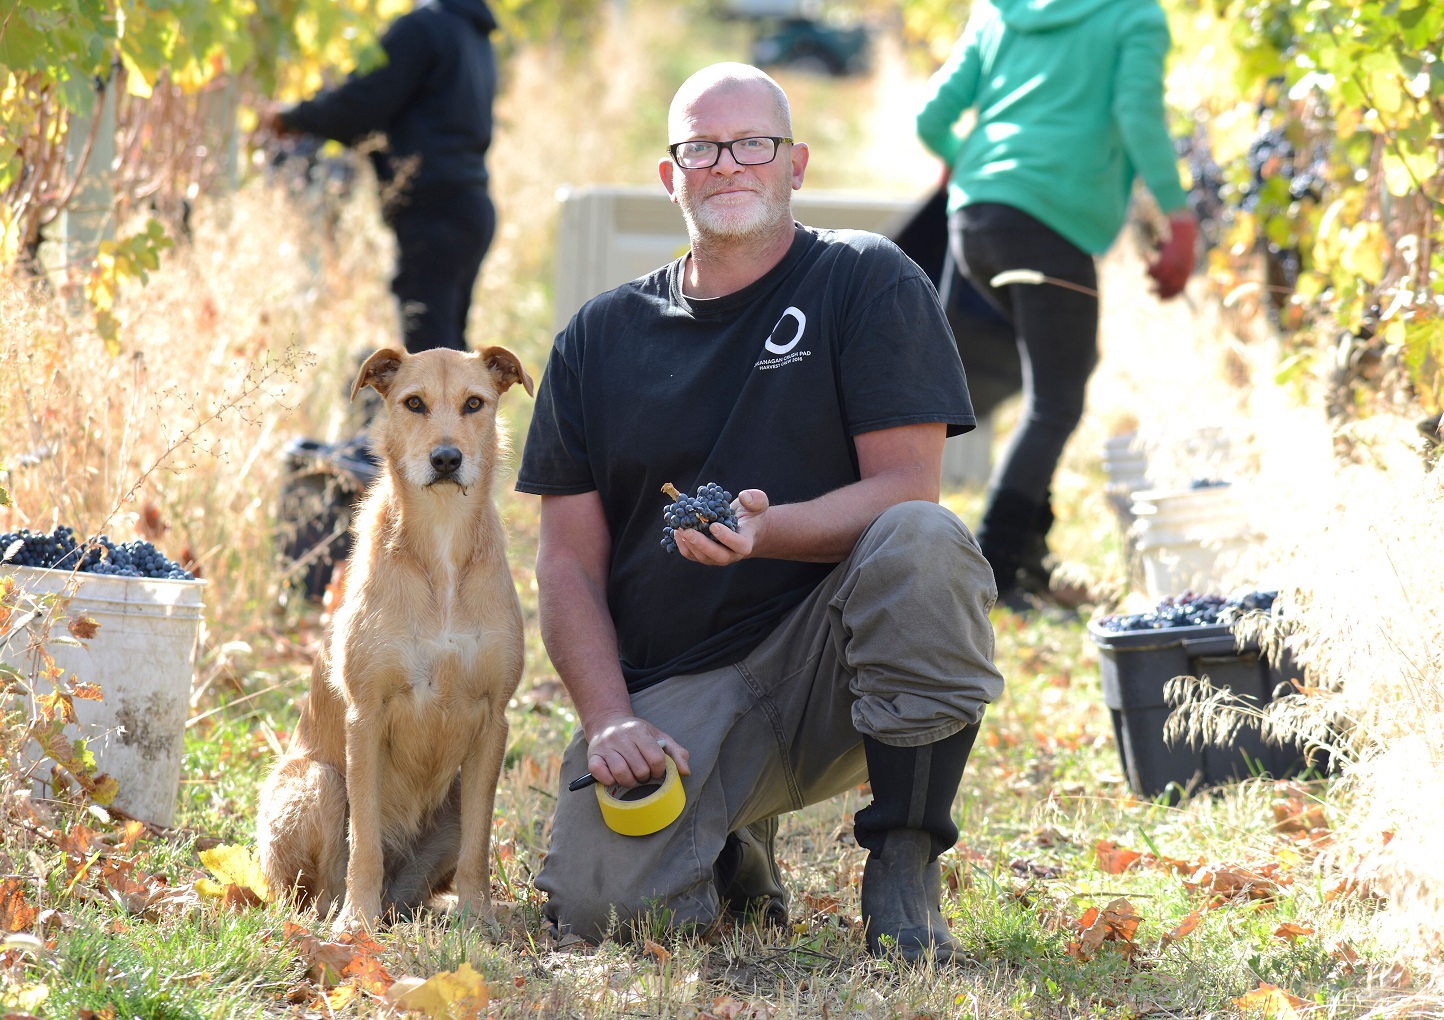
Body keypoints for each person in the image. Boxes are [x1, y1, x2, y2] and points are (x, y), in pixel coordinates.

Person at [515, 63, 1006, 962]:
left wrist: (766, 532)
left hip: (840, 664)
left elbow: (907, 491)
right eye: (700, 148)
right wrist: (610, 718)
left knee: (925, 544)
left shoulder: (867, 280)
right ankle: (736, 845)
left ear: (796, 165)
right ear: (671, 175)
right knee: (602, 912)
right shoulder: (596, 339)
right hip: (684, 686)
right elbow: (566, 565)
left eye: (754, 144)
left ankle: (903, 860)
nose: (728, 165)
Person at [917, 0, 1199, 610]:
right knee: (1057, 399)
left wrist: (959, 158)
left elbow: (932, 114)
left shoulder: (999, 10)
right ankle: (994, 569)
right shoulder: (1133, 17)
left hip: (976, 218)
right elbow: (1137, 114)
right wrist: (1177, 214)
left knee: (1055, 377)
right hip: (1050, 221)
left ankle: (1029, 554)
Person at [263, 0, 500, 354]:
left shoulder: (422, 28)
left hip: (434, 213)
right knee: (450, 358)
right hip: (470, 208)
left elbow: (359, 106)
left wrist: (291, 117)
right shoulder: (474, 36)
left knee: (431, 363)